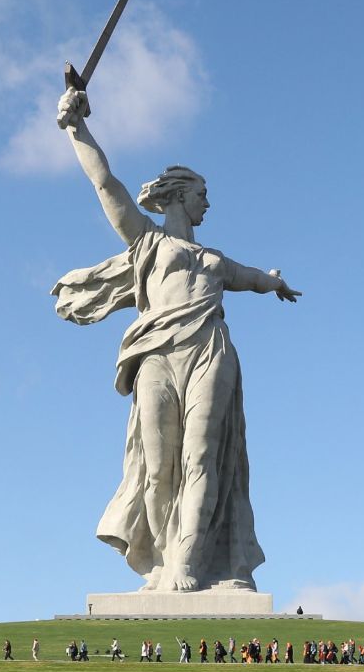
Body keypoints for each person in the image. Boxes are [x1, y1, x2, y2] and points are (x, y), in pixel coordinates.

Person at [53, 86, 297, 595]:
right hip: (156, 355)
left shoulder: (215, 259)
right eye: (203, 194)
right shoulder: (148, 240)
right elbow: (106, 184)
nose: (209, 202)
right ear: (181, 195)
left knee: (202, 457)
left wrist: (274, 282)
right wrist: (77, 129)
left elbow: (251, 277)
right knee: (159, 467)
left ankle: (189, 559)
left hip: (210, 351)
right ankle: (163, 558)